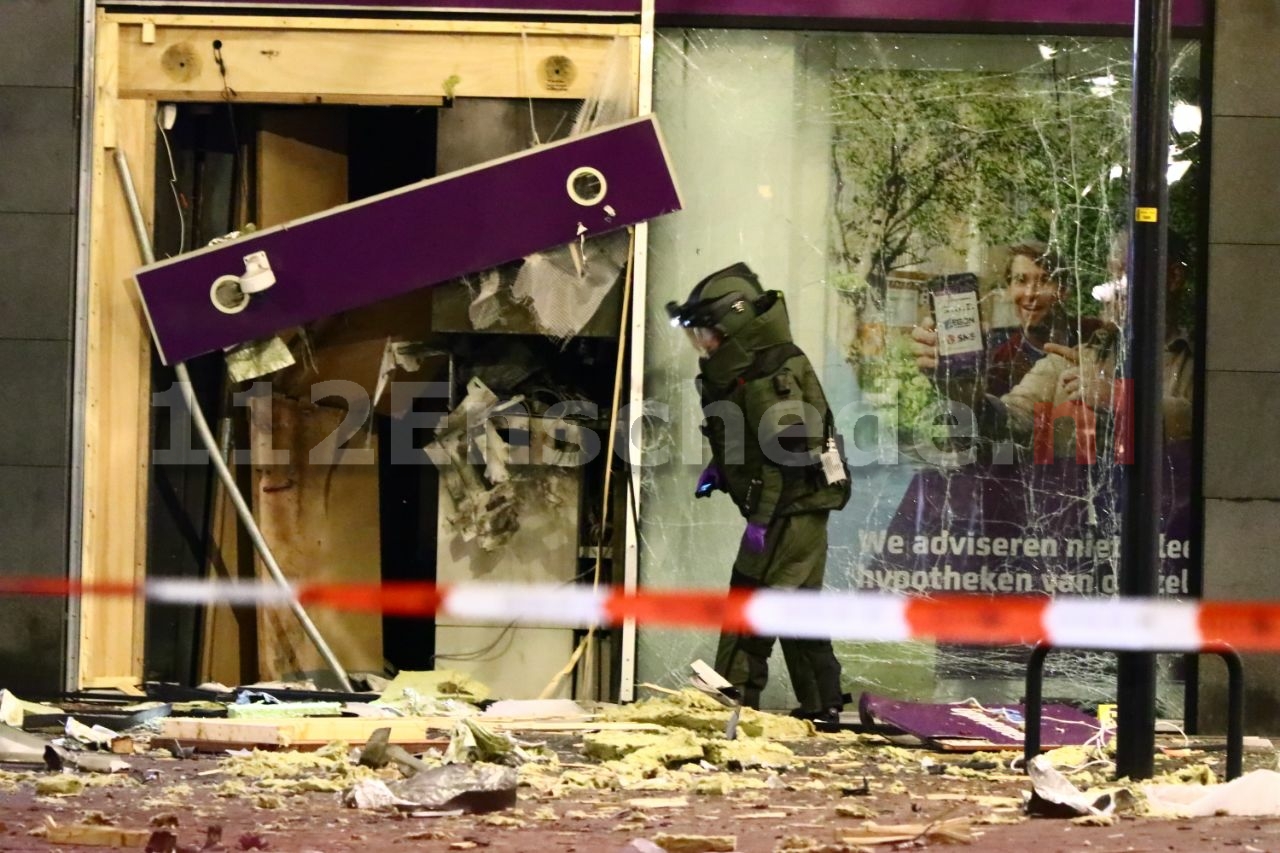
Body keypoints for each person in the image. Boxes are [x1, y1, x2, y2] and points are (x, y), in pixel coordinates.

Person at [667, 261, 850, 724]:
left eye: (705, 333)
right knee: (791, 606)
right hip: (790, 504)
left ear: (734, 323)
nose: (701, 345)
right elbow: (748, 441)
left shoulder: (771, 373)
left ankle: (731, 701)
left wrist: (759, 522)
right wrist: (721, 470)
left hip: (794, 505)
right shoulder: (750, 368)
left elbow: (786, 459)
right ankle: (822, 703)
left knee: (756, 600)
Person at [916, 241, 1105, 397]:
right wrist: (949, 382)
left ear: (1063, 291)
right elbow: (987, 426)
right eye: (1021, 281)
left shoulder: (1097, 337)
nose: (1031, 293)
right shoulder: (1000, 359)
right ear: (1008, 290)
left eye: (1045, 280)